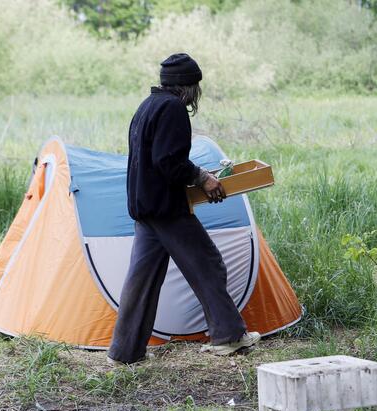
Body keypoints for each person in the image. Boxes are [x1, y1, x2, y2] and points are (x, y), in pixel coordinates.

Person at [107, 53, 261, 365]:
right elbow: (168, 161)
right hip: (166, 210)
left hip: (144, 208)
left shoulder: (147, 106)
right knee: (208, 263)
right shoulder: (173, 109)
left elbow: (155, 160)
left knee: (141, 281)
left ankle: (124, 353)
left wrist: (196, 175)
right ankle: (229, 336)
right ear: (188, 87)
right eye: (196, 85)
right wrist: (202, 177)